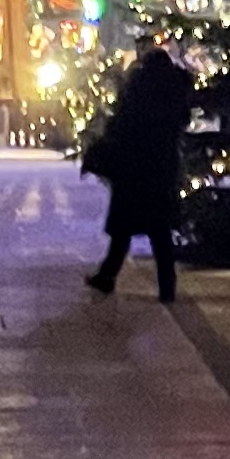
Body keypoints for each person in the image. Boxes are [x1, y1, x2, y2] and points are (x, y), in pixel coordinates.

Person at [86, 39, 195, 301]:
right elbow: (184, 121)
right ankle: (166, 288)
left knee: (123, 229)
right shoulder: (176, 89)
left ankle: (107, 277)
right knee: (161, 233)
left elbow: (121, 123)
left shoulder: (137, 86)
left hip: (133, 167)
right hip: (162, 168)